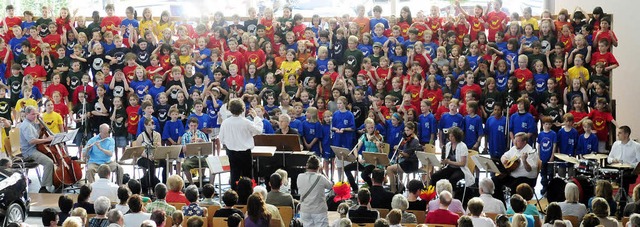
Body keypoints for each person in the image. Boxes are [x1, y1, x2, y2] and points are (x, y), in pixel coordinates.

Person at [219, 98, 263, 190]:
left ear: (230, 109)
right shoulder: (246, 122)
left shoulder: (225, 123)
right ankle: (248, 196)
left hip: (231, 152)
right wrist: (256, 118)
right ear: (243, 109)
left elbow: (221, 138)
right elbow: (258, 130)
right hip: (245, 153)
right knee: (247, 176)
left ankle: (234, 196)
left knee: (234, 175)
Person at [492, 132, 540, 202]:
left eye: (517, 141)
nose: (515, 143)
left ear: (524, 142)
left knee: (515, 186)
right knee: (495, 180)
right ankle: (501, 203)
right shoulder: (514, 148)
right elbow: (504, 156)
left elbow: (529, 169)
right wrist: (504, 159)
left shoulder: (531, 152)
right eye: (515, 140)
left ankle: (515, 208)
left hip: (526, 178)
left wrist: (524, 161)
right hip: (512, 175)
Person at [18, 105, 55, 193]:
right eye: (33, 114)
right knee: (49, 162)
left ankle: (54, 181)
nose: (35, 116)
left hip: (34, 149)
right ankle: (44, 187)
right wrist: (46, 140)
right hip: (29, 152)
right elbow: (32, 141)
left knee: (51, 158)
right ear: (26, 114)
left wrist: (40, 122)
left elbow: (37, 133)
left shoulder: (31, 123)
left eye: (36, 114)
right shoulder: (26, 125)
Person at [344, 118, 384, 192]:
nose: (371, 130)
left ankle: (372, 189)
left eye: (372, 127)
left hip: (374, 162)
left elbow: (381, 153)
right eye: (369, 128)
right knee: (346, 168)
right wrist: (358, 159)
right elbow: (356, 149)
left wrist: (378, 146)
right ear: (365, 128)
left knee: (363, 175)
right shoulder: (364, 136)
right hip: (365, 161)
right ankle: (355, 188)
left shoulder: (379, 137)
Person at [297, 155, 332, 226]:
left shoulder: (300, 177)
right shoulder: (321, 178)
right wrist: (323, 173)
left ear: (307, 166)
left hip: (305, 210)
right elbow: (330, 186)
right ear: (318, 167)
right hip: (319, 210)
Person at [386, 122, 421, 193]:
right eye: (405, 130)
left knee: (389, 169)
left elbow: (408, 154)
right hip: (406, 162)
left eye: (408, 130)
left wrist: (399, 151)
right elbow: (406, 152)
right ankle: (400, 186)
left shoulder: (415, 141)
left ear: (413, 130)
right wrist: (400, 153)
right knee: (392, 169)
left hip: (411, 164)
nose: (406, 132)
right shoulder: (408, 139)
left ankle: (393, 190)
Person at [135, 118, 165, 193]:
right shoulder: (141, 136)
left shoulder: (157, 135)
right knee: (150, 164)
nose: (151, 126)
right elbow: (138, 150)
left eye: (152, 125)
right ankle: (153, 185)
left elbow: (160, 147)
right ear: (145, 125)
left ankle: (164, 184)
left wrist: (159, 146)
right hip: (143, 157)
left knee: (165, 163)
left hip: (155, 156)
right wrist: (147, 156)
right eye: (149, 125)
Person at [608, 125, 640, 191]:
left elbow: (639, 163)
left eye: (620, 133)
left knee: (623, 177)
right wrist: (613, 160)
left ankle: (623, 199)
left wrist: (629, 165)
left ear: (626, 134)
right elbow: (609, 158)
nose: (617, 135)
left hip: (629, 171)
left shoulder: (636, 146)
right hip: (616, 170)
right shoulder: (615, 144)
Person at [180, 117, 210, 185]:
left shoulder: (202, 134)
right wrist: (190, 143)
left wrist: (202, 141)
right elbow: (183, 151)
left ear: (197, 125)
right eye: (191, 126)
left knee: (213, 165)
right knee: (185, 165)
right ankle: (191, 183)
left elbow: (208, 147)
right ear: (188, 126)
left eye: (195, 126)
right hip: (190, 157)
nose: (193, 127)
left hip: (202, 157)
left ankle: (210, 185)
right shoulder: (185, 135)